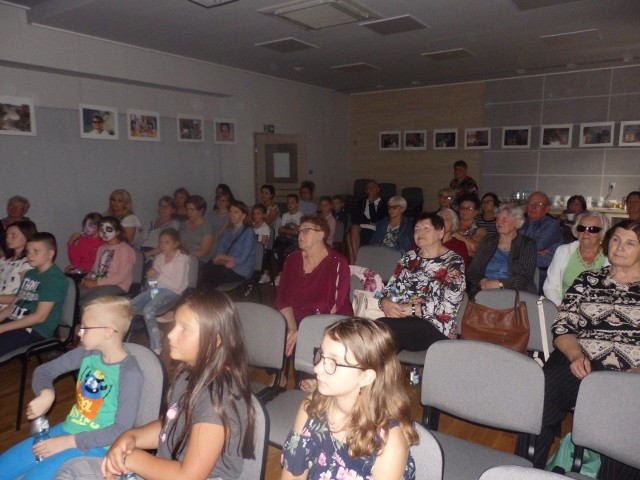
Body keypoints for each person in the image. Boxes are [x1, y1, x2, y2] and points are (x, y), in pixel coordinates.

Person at [58, 290, 257, 480]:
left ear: (215, 341)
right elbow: (170, 423)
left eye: (185, 329)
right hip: (169, 469)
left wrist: (131, 457)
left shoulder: (217, 398)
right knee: (75, 470)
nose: (170, 334)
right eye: (175, 324)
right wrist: (132, 436)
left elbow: (189, 476)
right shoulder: (187, 374)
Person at [516, 220, 640, 480]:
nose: (620, 247)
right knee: (541, 393)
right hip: (582, 360)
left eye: (631, 243)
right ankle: (526, 470)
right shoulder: (589, 280)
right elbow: (562, 326)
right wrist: (575, 356)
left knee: (623, 419)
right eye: (616, 240)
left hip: (630, 373)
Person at [0, 296, 142, 480]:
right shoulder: (87, 353)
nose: (79, 333)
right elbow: (44, 371)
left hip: (97, 446)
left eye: (84, 327)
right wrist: (46, 392)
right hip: (68, 429)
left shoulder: (130, 374)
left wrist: (68, 442)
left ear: (108, 332)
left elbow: (121, 430)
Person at [281, 318, 418, 480]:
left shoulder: (388, 443)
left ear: (366, 377)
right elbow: (292, 476)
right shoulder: (312, 408)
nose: (317, 368)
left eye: (333, 362)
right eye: (322, 355)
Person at [377, 213, 465, 352]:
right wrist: (385, 302)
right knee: (378, 335)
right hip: (401, 319)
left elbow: (449, 307)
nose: (420, 232)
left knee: (383, 330)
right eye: (417, 229)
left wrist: (412, 309)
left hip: (434, 326)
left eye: (426, 228)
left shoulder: (453, 261)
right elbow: (389, 289)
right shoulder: (409, 257)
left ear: (440, 232)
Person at [275, 215, 352, 357]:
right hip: (295, 318)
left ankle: (310, 374)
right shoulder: (292, 259)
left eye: (306, 230)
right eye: (300, 231)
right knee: (274, 332)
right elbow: (282, 297)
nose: (300, 235)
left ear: (321, 234)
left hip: (329, 322)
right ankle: (280, 376)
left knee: (305, 342)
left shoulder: (337, 262)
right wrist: (292, 327)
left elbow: (333, 306)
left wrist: (304, 330)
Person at [0, 232, 68, 356]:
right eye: (28, 251)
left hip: (34, 330)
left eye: (36, 251)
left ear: (50, 254)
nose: (30, 255)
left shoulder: (55, 279)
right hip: (15, 322)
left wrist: (3, 328)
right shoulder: (30, 274)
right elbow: (14, 305)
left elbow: (39, 317)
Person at [131, 228, 190, 354]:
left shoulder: (182, 259)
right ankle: (129, 340)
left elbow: (177, 284)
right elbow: (153, 285)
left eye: (167, 242)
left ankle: (156, 347)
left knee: (148, 309)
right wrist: (151, 279)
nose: (163, 246)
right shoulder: (158, 258)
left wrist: (158, 275)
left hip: (172, 292)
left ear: (175, 244)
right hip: (157, 290)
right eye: (161, 242)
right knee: (129, 307)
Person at [467, 204, 538, 298]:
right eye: (498, 218)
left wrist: (500, 284)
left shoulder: (527, 244)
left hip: (515, 293)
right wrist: (483, 281)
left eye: (505, 219)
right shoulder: (488, 241)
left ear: (517, 222)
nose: (499, 222)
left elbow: (525, 278)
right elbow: (473, 270)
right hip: (486, 290)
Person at [543, 212, 609, 306]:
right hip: (564, 308)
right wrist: (561, 307)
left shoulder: (611, 256)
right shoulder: (563, 251)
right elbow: (550, 286)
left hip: (599, 311)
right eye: (581, 228)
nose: (586, 233)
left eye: (592, 229)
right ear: (576, 231)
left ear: (602, 233)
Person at [199, 200, 256, 289]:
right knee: (202, 271)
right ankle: (205, 299)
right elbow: (219, 252)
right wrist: (224, 261)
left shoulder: (248, 232)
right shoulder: (227, 231)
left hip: (241, 270)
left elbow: (242, 259)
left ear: (243, 215)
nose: (231, 215)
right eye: (230, 212)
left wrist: (221, 257)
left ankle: (206, 299)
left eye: (236, 212)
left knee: (210, 275)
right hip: (225, 265)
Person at [79, 217, 135, 306]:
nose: (104, 232)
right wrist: (87, 278)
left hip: (118, 285)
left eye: (108, 229)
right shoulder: (102, 248)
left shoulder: (125, 250)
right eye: (101, 230)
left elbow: (122, 276)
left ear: (117, 232)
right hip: (99, 282)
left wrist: (97, 283)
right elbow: (95, 268)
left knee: (89, 302)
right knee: (75, 293)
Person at [518, 191, 562, 293]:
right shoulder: (520, 222)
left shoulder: (551, 224)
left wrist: (528, 247)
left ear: (547, 209)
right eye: (530, 204)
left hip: (543, 271)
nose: (533, 207)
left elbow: (538, 245)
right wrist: (532, 249)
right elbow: (508, 243)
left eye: (538, 204)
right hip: (521, 268)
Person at [348, 180, 388, 264]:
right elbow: (354, 218)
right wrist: (368, 221)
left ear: (377, 189)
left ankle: (355, 262)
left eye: (372, 188)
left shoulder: (383, 204)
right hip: (360, 227)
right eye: (368, 188)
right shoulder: (361, 202)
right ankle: (357, 260)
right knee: (352, 229)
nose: (370, 190)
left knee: (350, 237)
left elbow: (375, 219)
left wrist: (371, 202)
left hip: (374, 229)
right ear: (366, 191)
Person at [0, 220, 37, 311]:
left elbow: (25, 296)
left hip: (10, 310)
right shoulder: (4, 260)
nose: (8, 239)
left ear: (27, 236)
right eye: (7, 235)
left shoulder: (28, 264)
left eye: (14, 235)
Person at [178, 195, 215, 264]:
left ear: (201, 210)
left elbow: (203, 252)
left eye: (192, 210)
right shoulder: (183, 224)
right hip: (182, 257)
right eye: (187, 209)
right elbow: (177, 243)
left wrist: (185, 255)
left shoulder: (207, 226)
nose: (188, 212)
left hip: (199, 260)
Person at [274, 194, 303, 277]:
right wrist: (289, 232)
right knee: (274, 247)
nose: (289, 205)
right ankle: (278, 272)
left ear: (297, 204)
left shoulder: (300, 216)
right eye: (288, 203)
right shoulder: (285, 215)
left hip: (294, 240)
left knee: (281, 248)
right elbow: (280, 230)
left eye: (292, 203)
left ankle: (281, 272)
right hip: (284, 238)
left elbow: (297, 232)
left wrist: (286, 231)